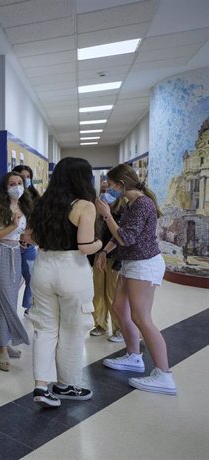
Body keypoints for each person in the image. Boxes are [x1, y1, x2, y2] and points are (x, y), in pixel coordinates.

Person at [26, 157, 102, 408]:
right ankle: (66, 385)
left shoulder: (43, 203)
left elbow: (32, 238)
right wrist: (100, 244)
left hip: (44, 267)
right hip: (72, 270)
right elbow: (84, 247)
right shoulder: (85, 206)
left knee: (45, 328)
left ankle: (40, 386)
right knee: (72, 329)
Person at [95, 163, 176, 395]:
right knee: (120, 307)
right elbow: (120, 233)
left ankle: (164, 375)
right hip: (132, 263)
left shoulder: (142, 204)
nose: (107, 190)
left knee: (142, 318)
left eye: (110, 185)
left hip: (144, 264)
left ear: (121, 184)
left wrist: (107, 215)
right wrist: (103, 251)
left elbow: (126, 238)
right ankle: (133, 356)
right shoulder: (132, 203)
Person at [0, 171, 32, 372]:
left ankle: (4, 342)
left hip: (15, 254)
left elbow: (22, 232)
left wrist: (23, 239)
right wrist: (11, 226)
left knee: (11, 301)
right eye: (12, 183)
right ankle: (2, 348)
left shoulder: (24, 206)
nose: (17, 186)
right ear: (5, 187)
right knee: (2, 301)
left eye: (20, 182)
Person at [89, 190, 125, 341]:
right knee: (97, 293)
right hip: (99, 256)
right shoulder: (97, 213)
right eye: (103, 190)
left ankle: (119, 328)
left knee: (112, 294)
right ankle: (100, 325)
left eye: (109, 189)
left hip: (115, 257)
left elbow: (121, 238)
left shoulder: (122, 212)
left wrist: (119, 260)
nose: (106, 194)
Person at [12, 165, 40, 315]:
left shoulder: (36, 198)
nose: (25, 180)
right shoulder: (9, 199)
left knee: (32, 277)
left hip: (29, 245)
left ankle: (29, 306)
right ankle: (10, 312)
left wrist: (29, 238)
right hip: (13, 245)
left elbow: (38, 221)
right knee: (12, 281)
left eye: (27, 177)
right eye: (22, 177)